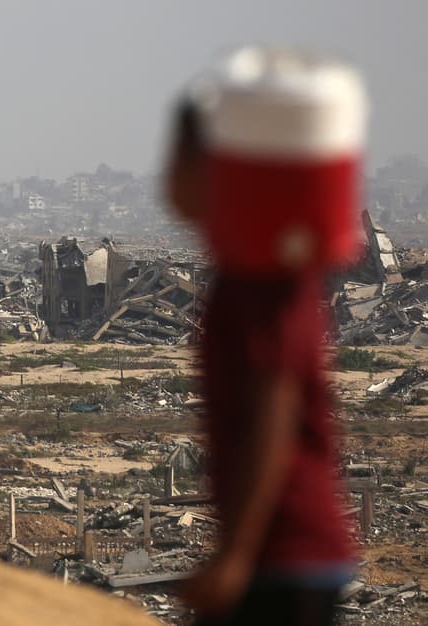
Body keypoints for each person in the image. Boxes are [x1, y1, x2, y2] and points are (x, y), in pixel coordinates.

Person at [165, 48, 367, 626]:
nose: (168, 179)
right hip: (283, 554)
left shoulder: (260, 288)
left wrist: (236, 556)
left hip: (286, 554)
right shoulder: (256, 279)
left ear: (220, 173)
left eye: (180, 161)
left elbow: (272, 418)